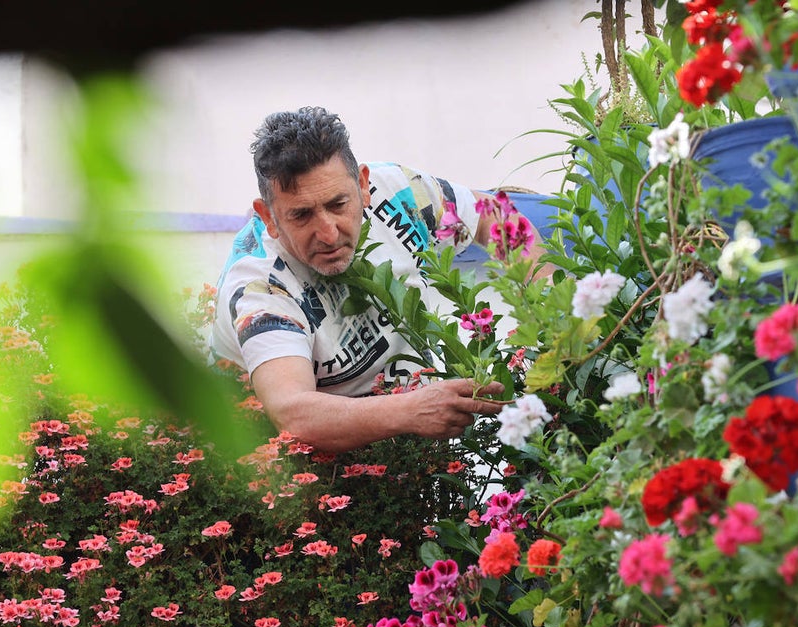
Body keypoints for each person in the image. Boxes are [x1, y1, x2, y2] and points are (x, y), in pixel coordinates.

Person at [209, 106, 547, 454]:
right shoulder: (259, 285)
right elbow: (292, 413)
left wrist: (550, 306)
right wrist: (414, 409)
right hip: (281, 472)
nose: (327, 233)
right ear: (269, 217)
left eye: (338, 204)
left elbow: (492, 216)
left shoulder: (401, 194)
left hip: (406, 442)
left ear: (363, 185)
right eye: (301, 215)